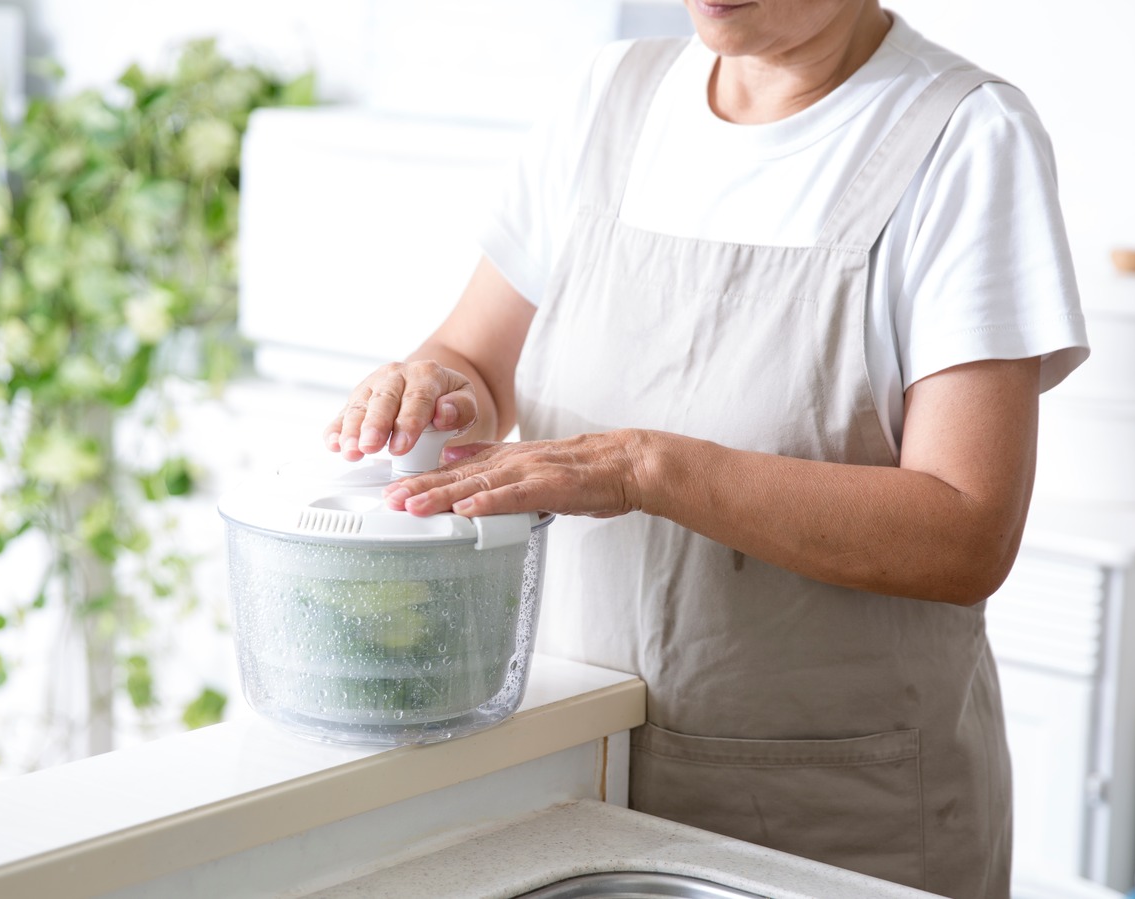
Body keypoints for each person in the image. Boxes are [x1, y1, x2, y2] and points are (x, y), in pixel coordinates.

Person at [324, 2, 1088, 896]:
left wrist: (648, 469)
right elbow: (473, 358)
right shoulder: (612, 99)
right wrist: (435, 385)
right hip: (571, 775)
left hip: (828, 820)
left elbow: (966, 532)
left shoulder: (964, 140)